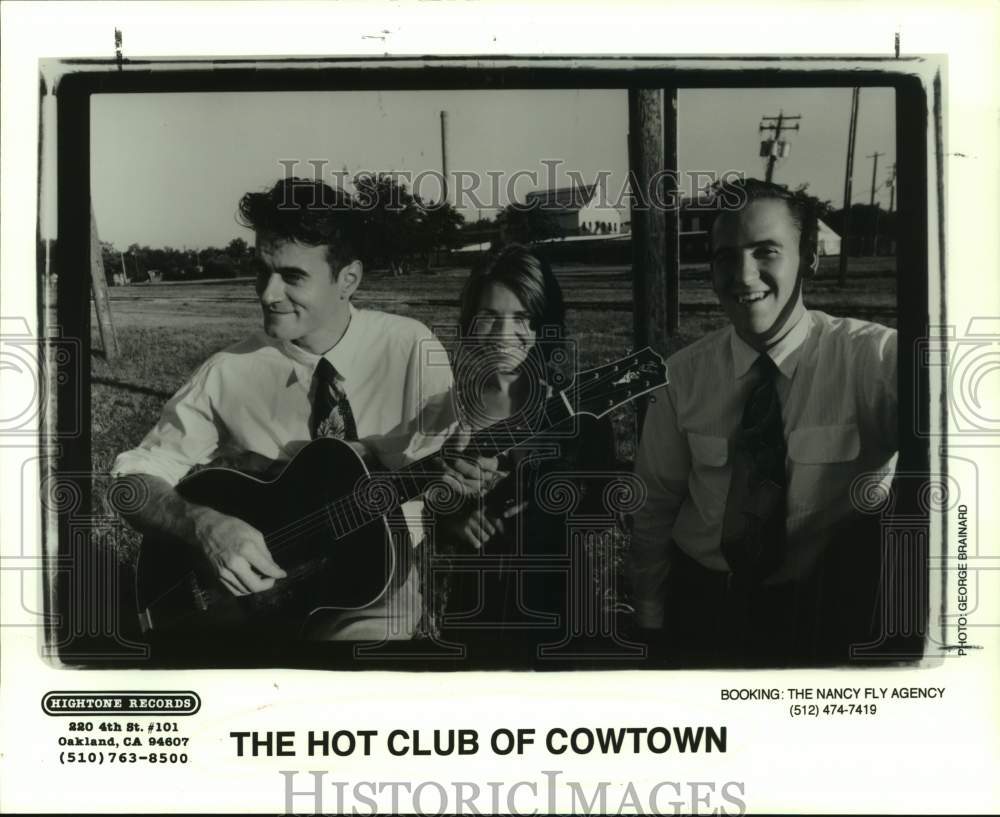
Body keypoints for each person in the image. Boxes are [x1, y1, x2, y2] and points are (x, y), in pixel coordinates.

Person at [112, 177, 495, 643]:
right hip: (244, 600)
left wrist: (459, 487)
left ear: (347, 279)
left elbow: (440, 478)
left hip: (372, 583)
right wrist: (204, 525)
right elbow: (132, 483)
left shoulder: (410, 347)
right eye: (262, 271)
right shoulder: (228, 372)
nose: (268, 294)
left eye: (292, 277)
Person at [628, 178, 898, 665]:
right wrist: (650, 619)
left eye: (765, 251)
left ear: (809, 258)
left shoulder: (873, 360)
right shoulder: (682, 377)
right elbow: (653, 506)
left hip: (823, 615)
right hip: (703, 607)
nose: (744, 275)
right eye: (726, 257)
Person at [428, 244, 619, 663]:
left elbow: (598, 510)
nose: (502, 335)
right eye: (490, 318)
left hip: (560, 604)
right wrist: (454, 516)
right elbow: (416, 505)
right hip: (473, 610)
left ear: (544, 325)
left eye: (521, 319)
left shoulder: (578, 413)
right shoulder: (443, 407)